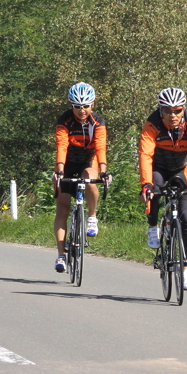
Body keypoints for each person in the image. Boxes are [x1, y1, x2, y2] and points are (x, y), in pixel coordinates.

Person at [138, 87, 187, 291]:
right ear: (160, 110)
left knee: (186, 217)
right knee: (154, 191)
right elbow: (145, 154)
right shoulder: (152, 124)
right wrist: (145, 184)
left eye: (177, 111)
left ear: (183, 109)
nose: (173, 115)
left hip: (180, 170)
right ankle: (153, 226)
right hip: (158, 169)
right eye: (168, 111)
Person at [52, 83, 110, 273]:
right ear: (71, 106)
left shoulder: (97, 122)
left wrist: (104, 171)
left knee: (90, 180)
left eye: (85, 105)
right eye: (77, 106)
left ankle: (92, 217)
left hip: (88, 160)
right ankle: (61, 255)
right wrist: (60, 171)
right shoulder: (65, 120)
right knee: (62, 209)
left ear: (92, 104)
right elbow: (62, 146)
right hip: (67, 162)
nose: (82, 110)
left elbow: (100, 147)